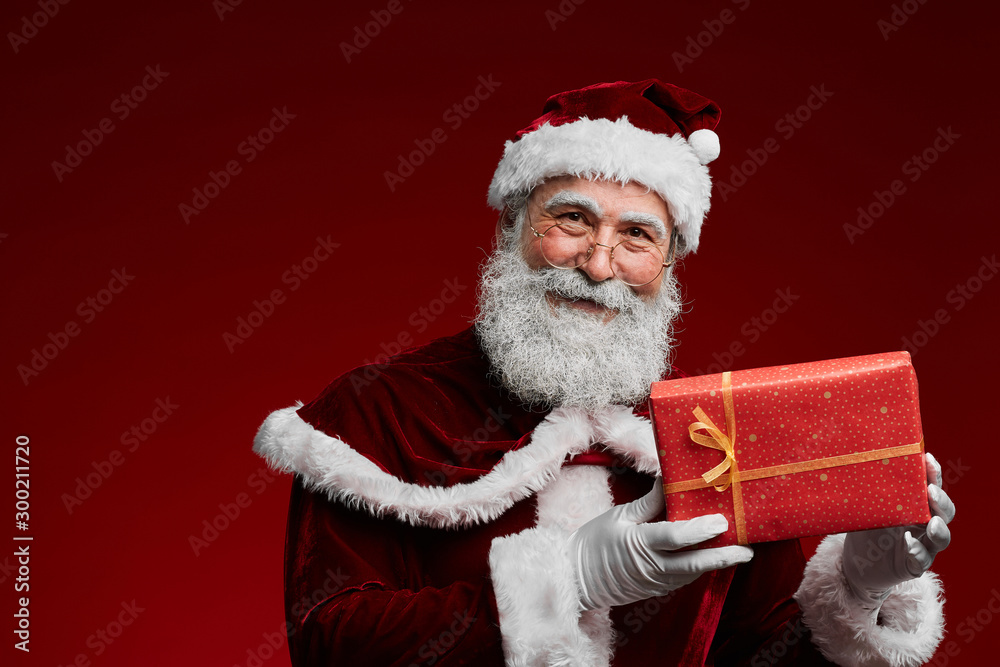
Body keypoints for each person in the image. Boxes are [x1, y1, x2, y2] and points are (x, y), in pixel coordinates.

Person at [253, 80, 955, 666]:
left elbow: (762, 654)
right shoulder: (381, 408)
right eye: (570, 219)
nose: (597, 264)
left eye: (638, 235)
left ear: (670, 265)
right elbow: (329, 644)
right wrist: (569, 579)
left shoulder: (718, 433)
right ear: (510, 230)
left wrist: (860, 592)